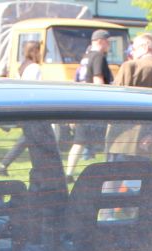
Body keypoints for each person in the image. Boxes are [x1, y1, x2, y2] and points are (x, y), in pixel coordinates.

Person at [109, 34, 152, 161]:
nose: (131, 53)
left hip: (123, 140)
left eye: (133, 49)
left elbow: (114, 100)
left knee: (115, 173)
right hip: (149, 141)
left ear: (145, 48)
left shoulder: (130, 67)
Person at [65, 30, 113, 180]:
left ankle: (69, 173)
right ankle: (108, 171)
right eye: (108, 42)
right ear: (100, 41)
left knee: (79, 141)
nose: (109, 45)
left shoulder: (86, 57)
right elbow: (98, 80)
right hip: (94, 104)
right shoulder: (98, 56)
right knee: (107, 139)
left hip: (82, 102)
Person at [0, 42, 41, 175]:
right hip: (33, 108)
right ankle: (4, 165)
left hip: (24, 105)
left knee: (28, 139)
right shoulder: (35, 68)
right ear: (35, 51)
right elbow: (37, 89)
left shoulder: (22, 66)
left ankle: (4, 165)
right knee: (28, 139)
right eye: (39, 51)